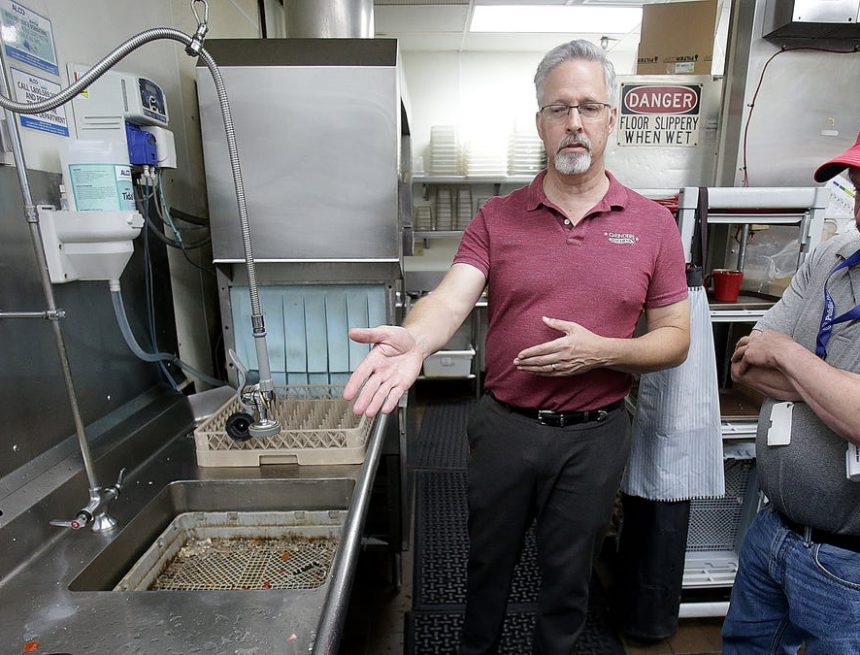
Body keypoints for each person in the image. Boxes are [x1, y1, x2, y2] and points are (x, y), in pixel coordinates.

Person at [344, 39, 690, 654]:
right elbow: (450, 298)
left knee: (568, 582)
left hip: (594, 436)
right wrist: (416, 340)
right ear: (540, 122)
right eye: (559, 109)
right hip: (505, 428)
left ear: (611, 118)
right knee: (487, 567)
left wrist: (602, 352)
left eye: (589, 107)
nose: (574, 122)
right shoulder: (497, 218)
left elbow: (675, 338)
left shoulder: (653, 225)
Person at [722, 133, 860, 654]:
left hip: (848, 563)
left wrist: (789, 354)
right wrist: (833, 389)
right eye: (859, 189)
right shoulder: (831, 255)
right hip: (774, 530)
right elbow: (746, 363)